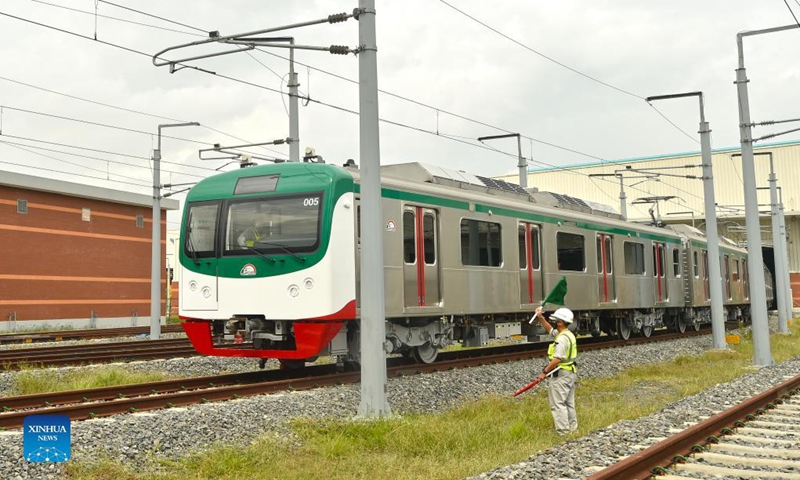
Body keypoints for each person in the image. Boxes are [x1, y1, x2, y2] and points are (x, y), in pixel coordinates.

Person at [533, 305, 578, 435]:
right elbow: (550, 331)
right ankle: (573, 429)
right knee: (569, 403)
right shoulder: (567, 334)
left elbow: (557, 358)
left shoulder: (562, 339)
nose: (554, 322)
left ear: (560, 322)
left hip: (561, 375)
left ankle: (563, 432)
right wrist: (541, 318)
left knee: (558, 404)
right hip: (569, 373)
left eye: (556, 320)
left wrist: (544, 372)